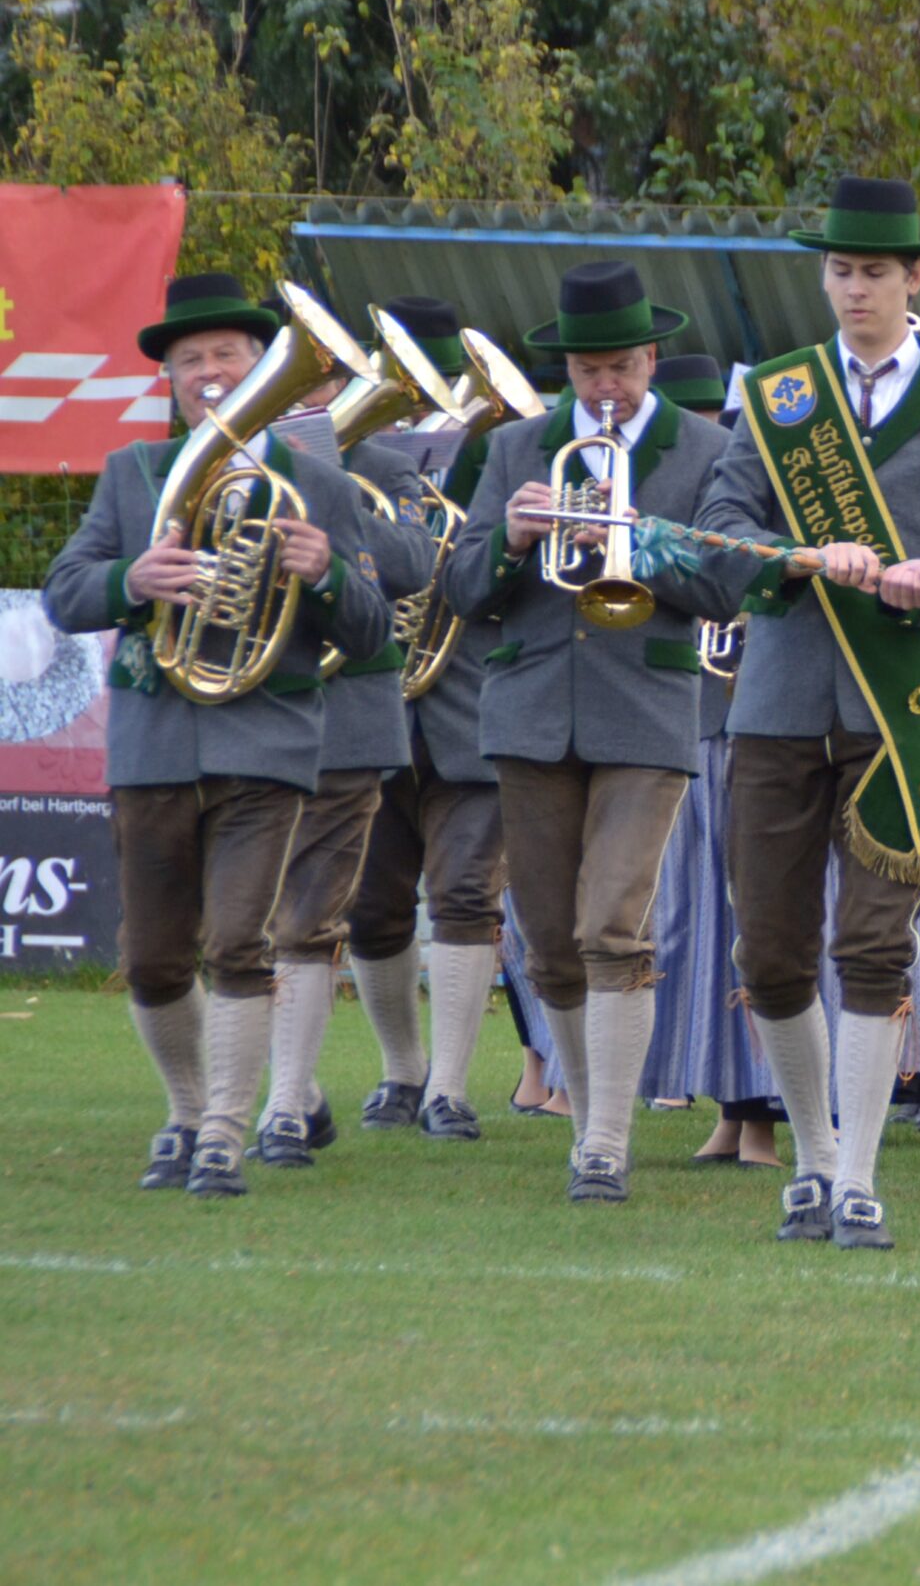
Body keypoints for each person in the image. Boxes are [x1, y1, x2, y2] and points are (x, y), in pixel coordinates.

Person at [697, 176, 920, 1247]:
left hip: (899, 713)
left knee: (874, 948)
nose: (854, 288)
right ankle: (815, 1161)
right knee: (770, 955)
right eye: (839, 270)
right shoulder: (777, 392)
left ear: (915, 278)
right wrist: (795, 556)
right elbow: (722, 527)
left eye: (874, 271)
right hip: (778, 706)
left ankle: (862, 1176)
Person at [43, 273, 392, 1196]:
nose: (208, 372)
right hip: (155, 744)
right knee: (153, 958)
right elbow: (66, 594)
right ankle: (187, 1110)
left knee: (240, 943)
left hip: (267, 744)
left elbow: (371, 634)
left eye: (227, 356)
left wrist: (325, 573)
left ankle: (225, 1136)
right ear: (168, 379)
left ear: (262, 366)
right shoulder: (134, 473)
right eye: (189, 359)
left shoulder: (318, 482)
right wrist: (132, 579)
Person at [445, 260, 752, 1204]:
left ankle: (607, 1140)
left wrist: (633, 537)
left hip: (648, 710)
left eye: (621, 366)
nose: (605, 387)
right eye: (587, 370)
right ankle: (586, 1120)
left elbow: (724, 585)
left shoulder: (706, 449)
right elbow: (462, 590)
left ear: (652, 358)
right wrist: (512, 541)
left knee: (612, 923)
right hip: (531, 710)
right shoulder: (516, 448)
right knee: (548, 944)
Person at [248, 303, 441, 1164]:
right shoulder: (218, 465)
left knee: (313, 915)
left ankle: (284, 1103)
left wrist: (333, 503)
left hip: (347, 715)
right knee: (240, 923)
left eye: (313, 380)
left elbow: (415, 566)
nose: (301, 398)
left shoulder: (385, 465)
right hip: (245, 712)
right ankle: (300, 1089)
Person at [341, 297, 513, 1144]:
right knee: (370, 904)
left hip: (469, 700)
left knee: (465, 894)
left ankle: (449, 1086)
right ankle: (401, 1068)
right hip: (372, 704)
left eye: (428, 390)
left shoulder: (495, 453)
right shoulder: (346, 455)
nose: (411, 411)